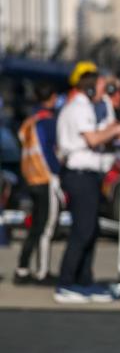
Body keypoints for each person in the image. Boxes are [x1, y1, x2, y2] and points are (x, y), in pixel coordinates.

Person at [55, 64, 120, 303]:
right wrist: (116, 129)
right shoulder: (78, 108)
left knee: (91, 230)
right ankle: (66, 283)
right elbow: (94, 138)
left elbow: (102, 136)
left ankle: (83, 280)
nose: (105, 91)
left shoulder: (90, 107)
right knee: (82, 230)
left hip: (89, 175)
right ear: (88, 89)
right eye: (101, 87)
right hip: (79, 175)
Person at [14, 83, 61, 285]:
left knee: (34, 227)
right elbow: (51, 153)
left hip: (30, 178)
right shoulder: (48, 122)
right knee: (46, 228)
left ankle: (22, 268)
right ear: (51, 98)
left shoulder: (29, 121)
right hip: (46, 178)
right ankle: (43, 271)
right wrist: (58, 173)